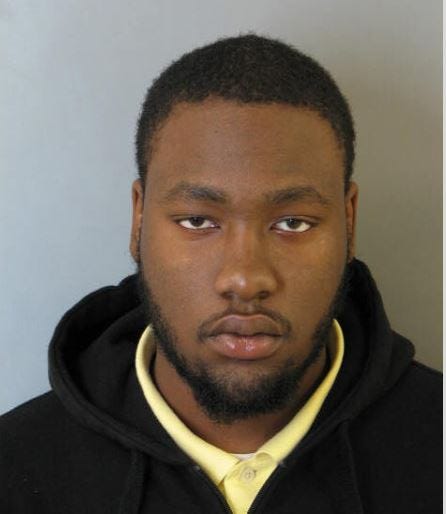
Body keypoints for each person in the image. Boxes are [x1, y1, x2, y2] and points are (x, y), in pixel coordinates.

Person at [0, 34, 441, 514]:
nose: (245, 280)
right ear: (139, 219)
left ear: (349, 222)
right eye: (197, 221)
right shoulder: (15, 469)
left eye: (293, 223)